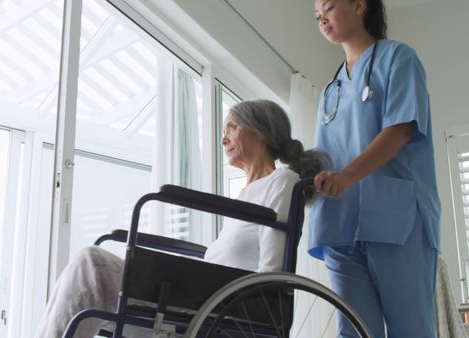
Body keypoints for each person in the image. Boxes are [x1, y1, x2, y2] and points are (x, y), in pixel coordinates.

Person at [36, 99, 329, 338]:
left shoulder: (282, 182)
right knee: (85, 280)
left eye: (232, 127)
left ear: (260, 132)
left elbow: (272, 273)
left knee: (92, 263)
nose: (222, 138)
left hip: (222, 308)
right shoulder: (245, 195)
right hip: (199, 298)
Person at [310, 0, 441, 337]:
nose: (322, 17)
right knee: (353, 332)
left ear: (358, 5)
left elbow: (401, 128)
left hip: (396, 221)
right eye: (317, 14)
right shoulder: (330, 90)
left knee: (410, 331)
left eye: (329, 6)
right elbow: (326, 155)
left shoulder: (399, 59)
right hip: (340, 226)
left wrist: (348, 176)